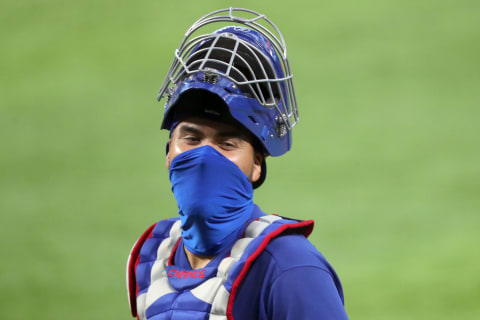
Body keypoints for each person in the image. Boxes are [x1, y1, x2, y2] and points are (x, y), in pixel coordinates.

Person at [126, 8, 349, 320]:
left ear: (257, 164)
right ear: (168, 153)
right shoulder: (154, 259)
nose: (205, 158)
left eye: (226, 144)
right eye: (191, 139)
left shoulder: (290, 268)